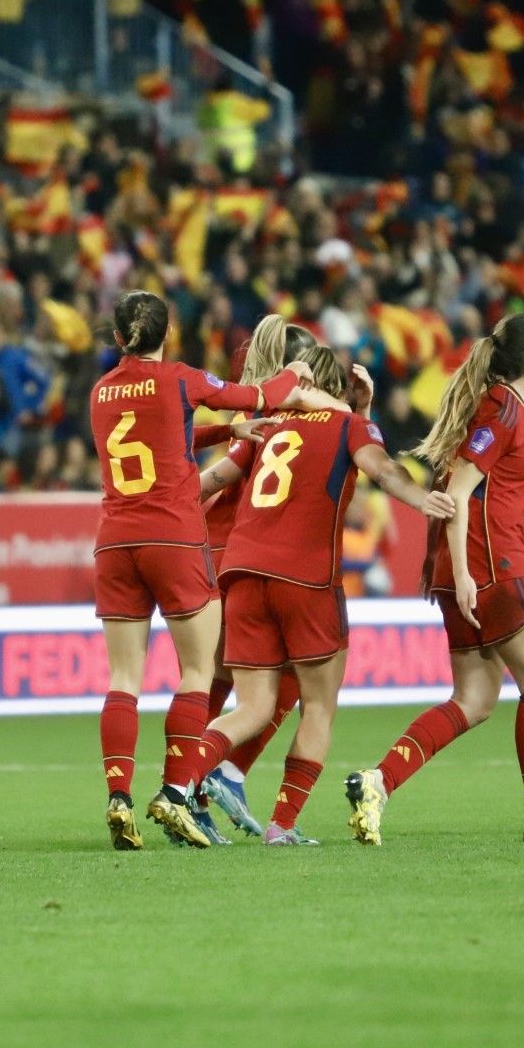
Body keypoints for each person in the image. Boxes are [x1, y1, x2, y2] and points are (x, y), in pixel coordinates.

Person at [344, 312, 524, 846]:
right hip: (493, 566)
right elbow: (459, 494)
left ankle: (378, 780)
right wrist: (464, 574)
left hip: (470, 567)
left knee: (474, 700)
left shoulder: (516, 410)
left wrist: (454, 573)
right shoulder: (506, 407)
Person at [87, 289, 329, 850]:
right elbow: (259, 393)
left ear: (119, 338)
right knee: (199, 673)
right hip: (172, 537)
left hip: (115, 540)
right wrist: (293, 374)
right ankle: (176, 791)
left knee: (123, 679)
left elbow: (151, 440)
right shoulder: (180, 378)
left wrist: (224, 434)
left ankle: (118, 795)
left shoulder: (99, 392)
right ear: (166, 334)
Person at [192, 344, 454, 845]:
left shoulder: (267, 426)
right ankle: (282, 825)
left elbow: (211, 481)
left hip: (243, 574)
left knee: (252, 707)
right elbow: (379, 469)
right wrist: (425, 500)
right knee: (318, 706)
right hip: (307, 578)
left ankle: (180, 783)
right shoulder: (348, 426)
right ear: (339, 388)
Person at [196, 315, 317, 840]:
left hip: (216, 546)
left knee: (221, 677)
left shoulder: (253, 404)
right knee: (294, 670)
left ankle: (190, 785)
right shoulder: (285, 414)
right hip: (247, 551)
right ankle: (214, 774)